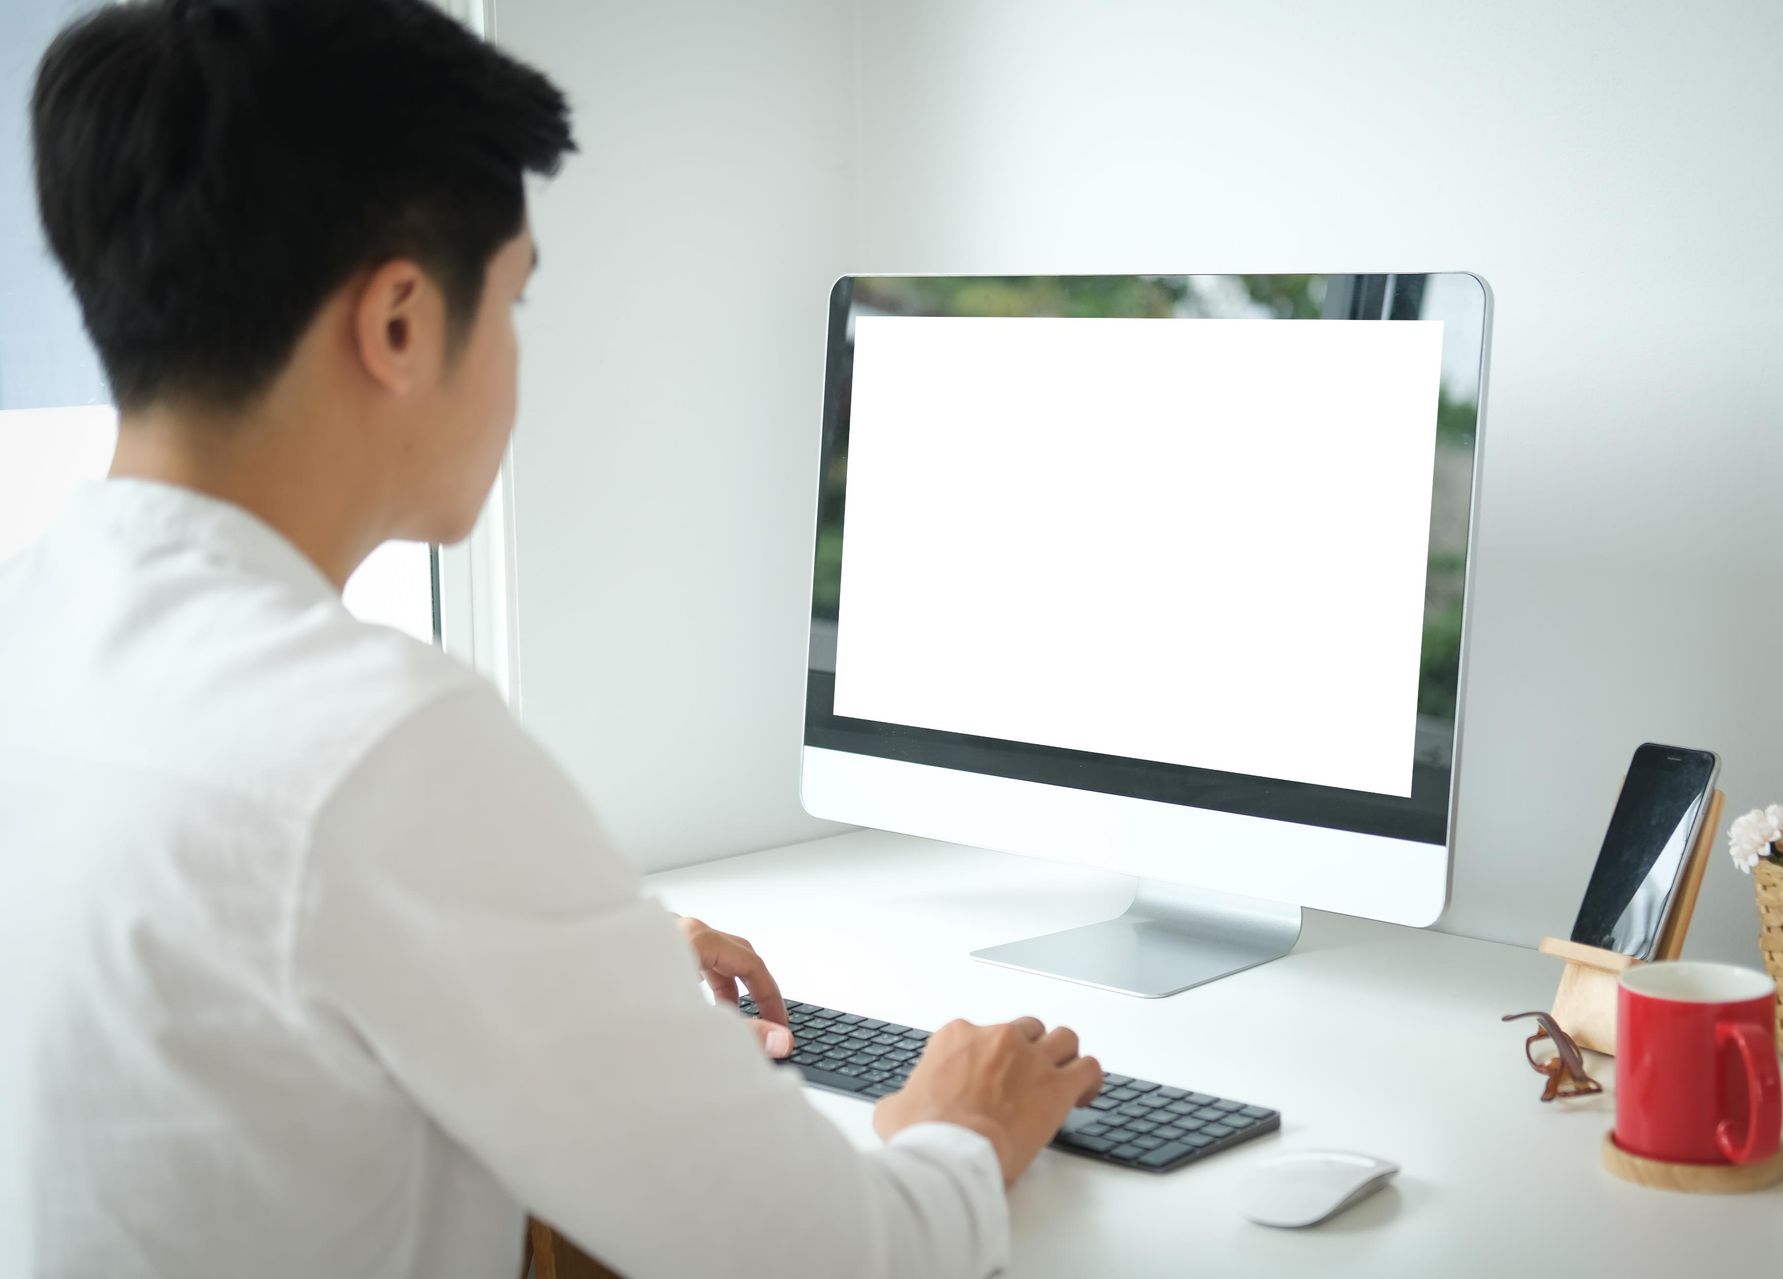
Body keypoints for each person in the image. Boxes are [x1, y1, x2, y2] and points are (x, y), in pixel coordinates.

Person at [0, 2, 1101, 1275]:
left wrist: (569, 976)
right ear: (401, 324)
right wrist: (961, 1120)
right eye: (515, 301)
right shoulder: (378, 745)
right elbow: (845, 1256)